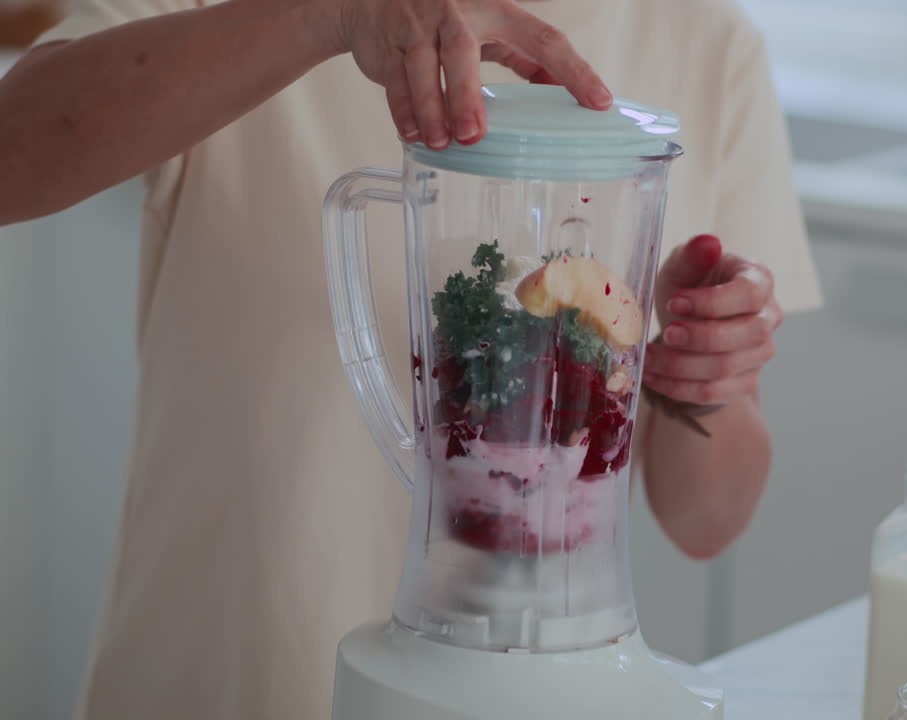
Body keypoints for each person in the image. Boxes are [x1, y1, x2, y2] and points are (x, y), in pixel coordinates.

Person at [0, 0, 822, 716]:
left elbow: (708, 520)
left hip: (524, 701)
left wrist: (702, 376)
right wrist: (325, 15)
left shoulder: (711, 44)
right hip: (229, 682)